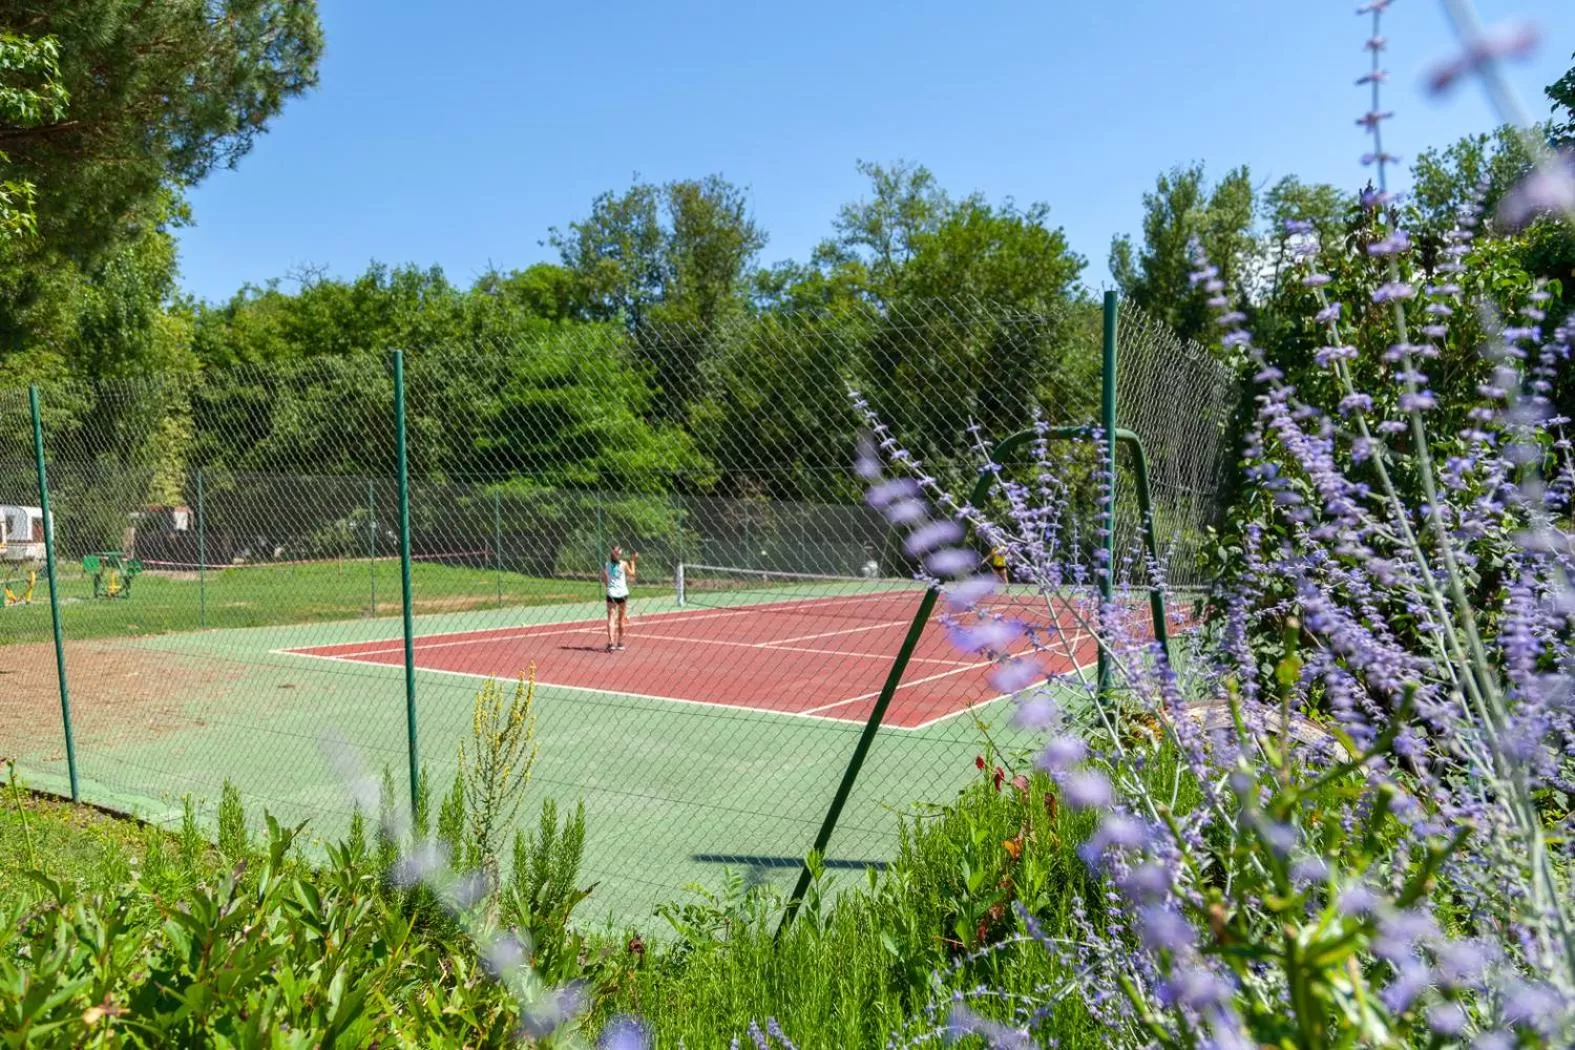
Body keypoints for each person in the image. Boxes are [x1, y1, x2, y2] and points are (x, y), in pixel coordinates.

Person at [602, 545, 638, 651]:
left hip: (611, 594)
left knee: (611, 618)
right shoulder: (624, 564)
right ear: (619, 553)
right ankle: (620, 643)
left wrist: (609, 586)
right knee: (621, 619)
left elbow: (604, 578)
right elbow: (632, 574)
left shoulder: (607, 564)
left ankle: (611, 643)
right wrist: (633, 561)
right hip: (622, 593)